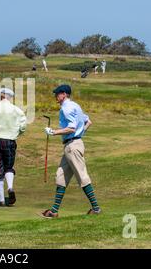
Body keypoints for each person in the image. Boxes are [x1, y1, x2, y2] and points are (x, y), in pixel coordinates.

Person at [41, 85, 101, 218]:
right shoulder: (76, 106)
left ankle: (96, 209)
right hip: (72, 144)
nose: (55, 96)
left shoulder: (66, 107)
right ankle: (54, 211)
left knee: (82, 176)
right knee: (60, 176)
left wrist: (54, 132)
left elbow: (71, 128)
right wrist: (80, 135)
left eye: (57, 94)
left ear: (64, 94)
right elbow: (88, 122)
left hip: (72, 146)